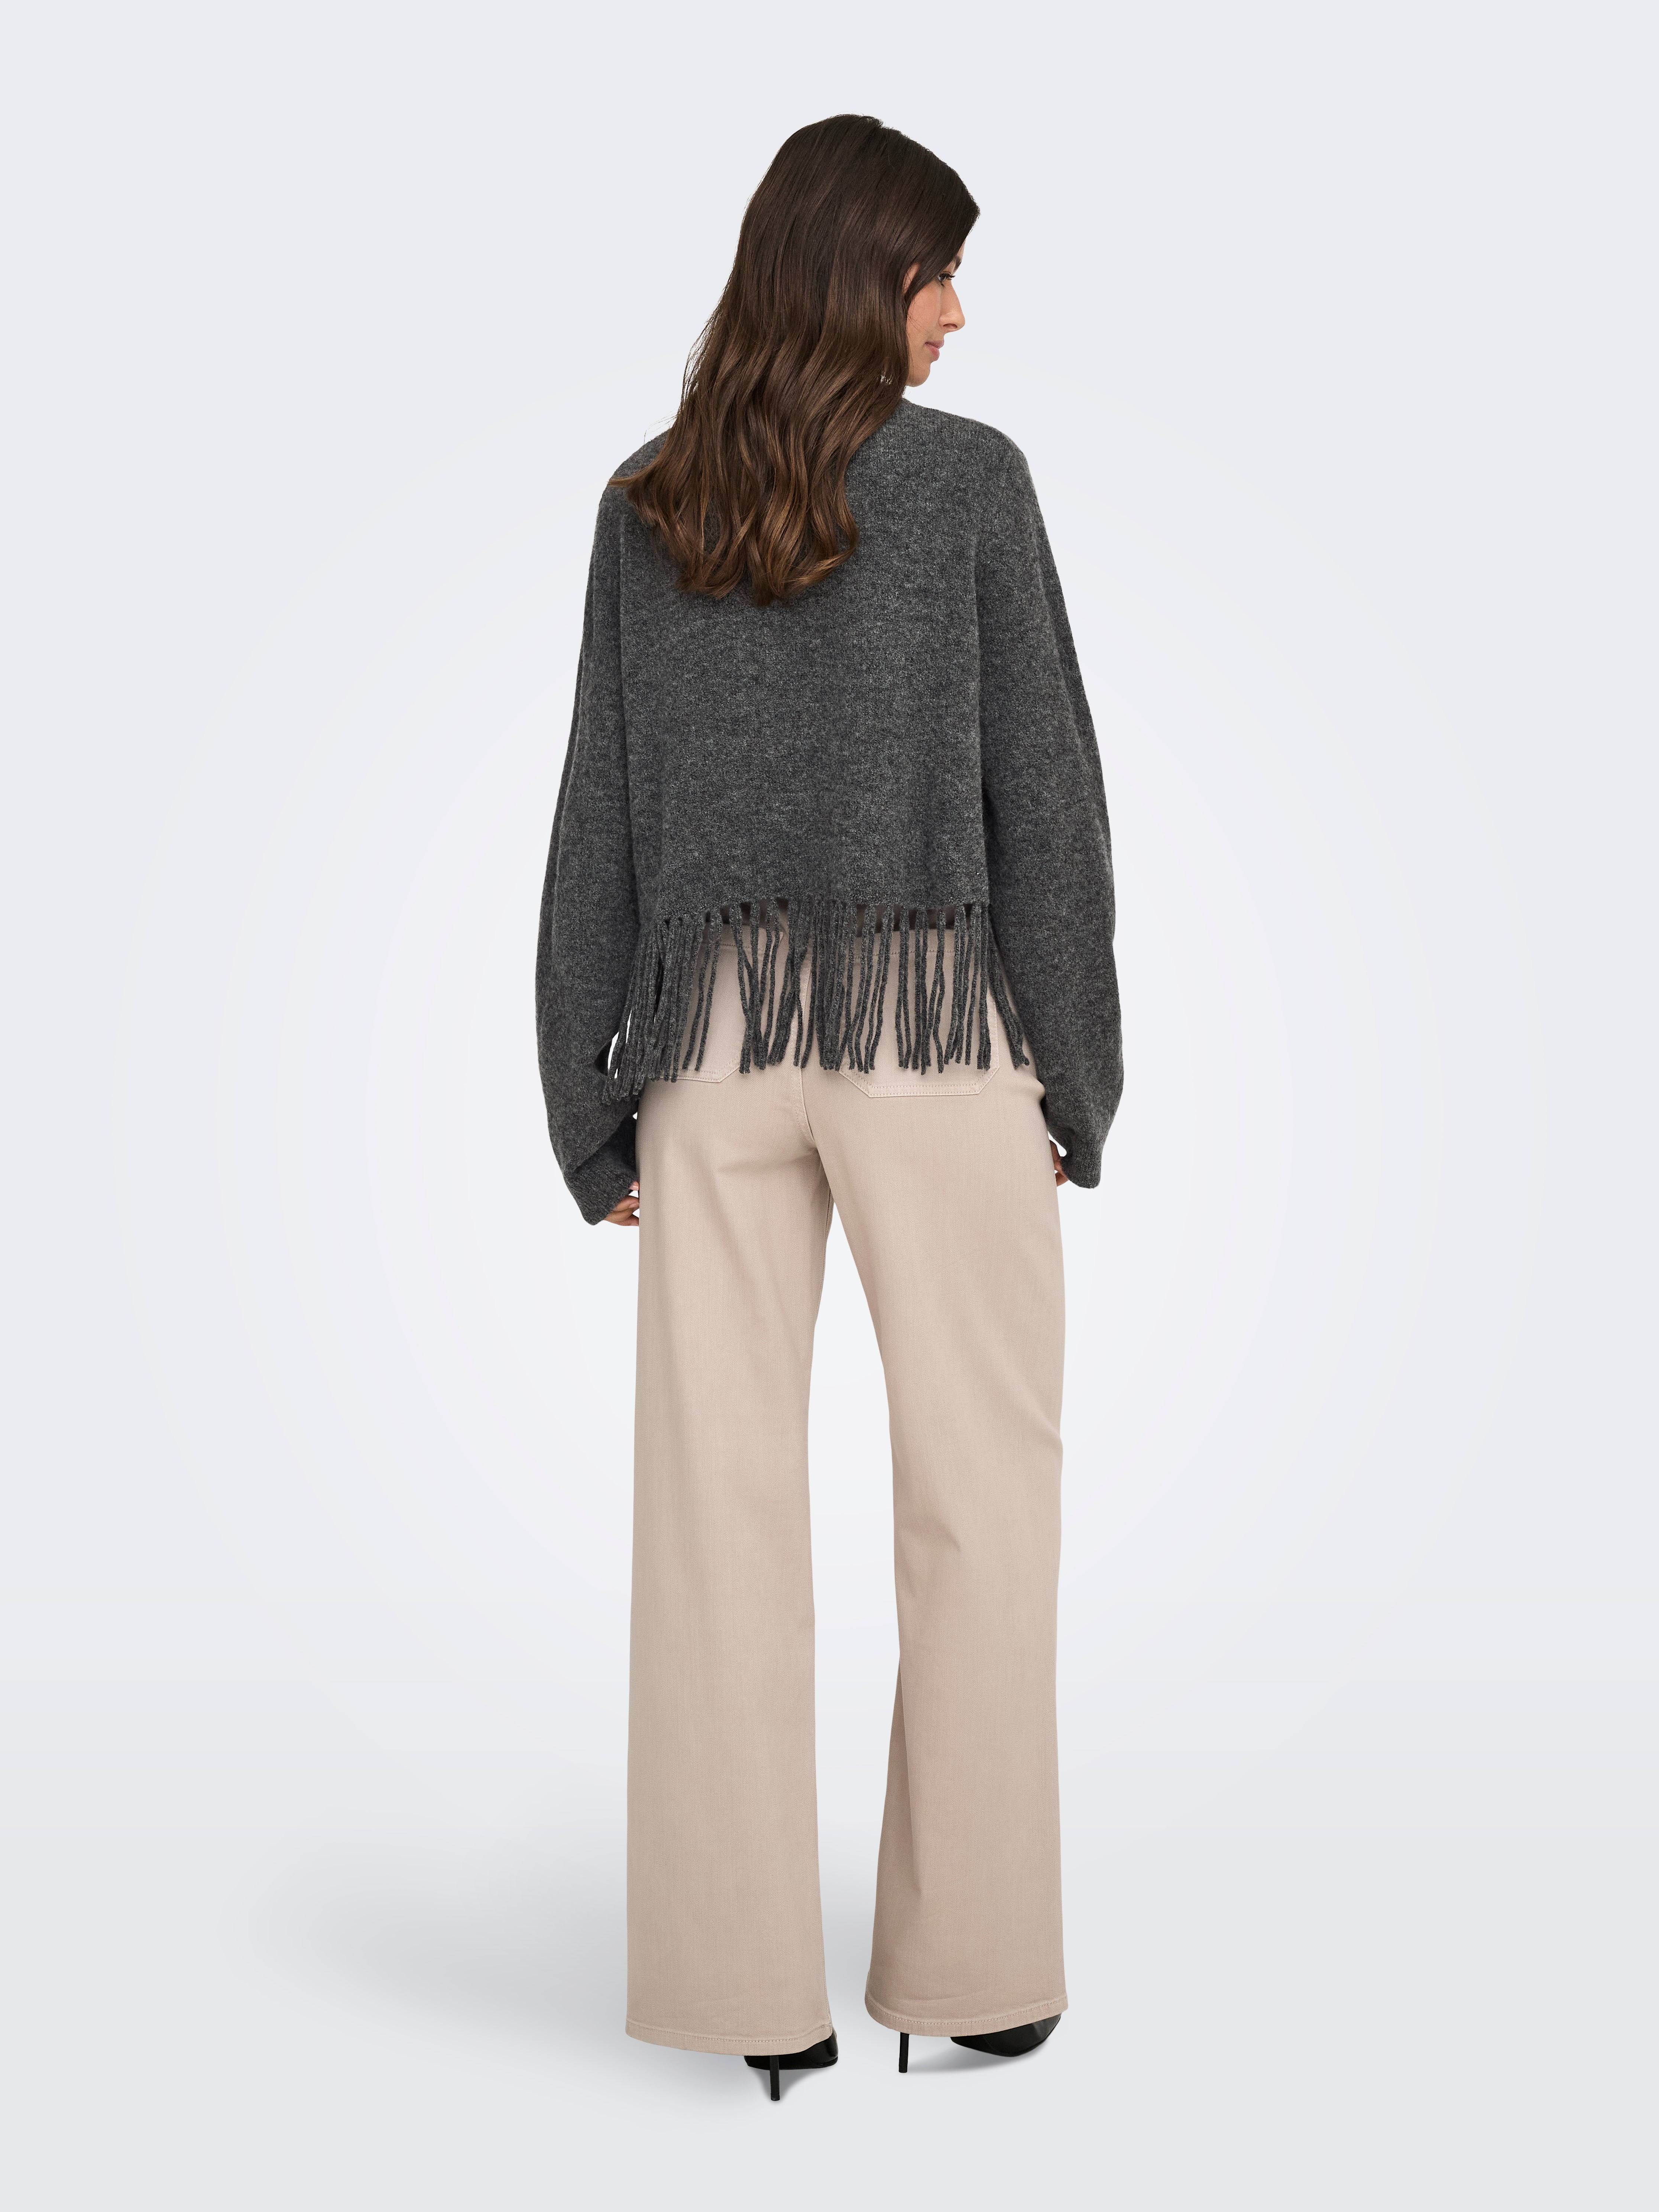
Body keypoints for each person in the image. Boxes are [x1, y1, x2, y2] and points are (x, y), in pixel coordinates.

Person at [535, 114, 1122, 2100]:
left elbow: (599, 813)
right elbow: (1046, 799)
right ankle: (973, 1963)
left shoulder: (650, 500)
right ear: (864, 273)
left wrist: (588, 1103)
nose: (957, 312)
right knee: (980, 1502)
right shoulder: (967, 486)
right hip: (931, 1030)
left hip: (710, 1048)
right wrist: (1078, 1071)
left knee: (710, 1514)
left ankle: (742, 1997)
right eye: (938, 270)